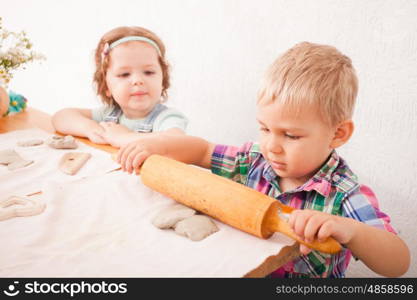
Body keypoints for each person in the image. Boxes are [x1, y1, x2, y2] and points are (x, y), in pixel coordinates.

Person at [115, 42, 410, 277]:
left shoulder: (344, 195)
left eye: (291, 136)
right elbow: (203, 150)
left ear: (338, 134)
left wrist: (350, 229)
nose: (272, 146)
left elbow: (398, 262)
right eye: (265, 128)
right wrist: (158, 144)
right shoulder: (253, 160)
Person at [52, 26, 187, 147]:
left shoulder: (166, 118)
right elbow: (60, 117)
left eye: (149, 72)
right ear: (106, 87)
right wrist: (91, 129)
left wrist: (124, 138)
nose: (138, 80)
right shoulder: (108, 114)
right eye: (124, 74)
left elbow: (178, 142)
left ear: (163, 80)